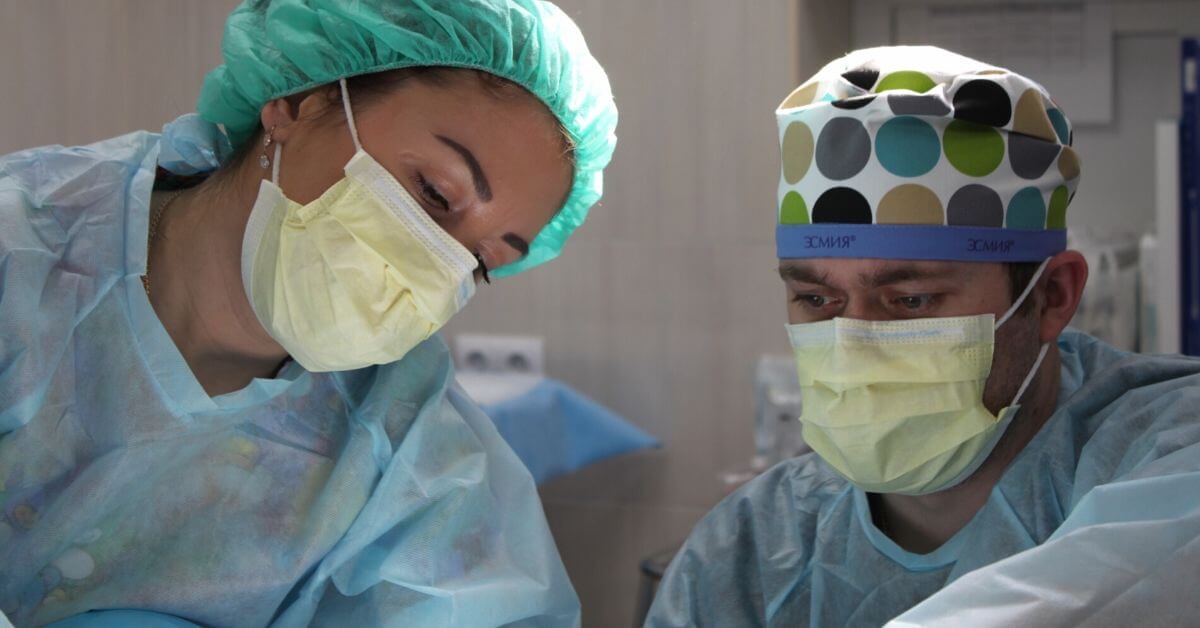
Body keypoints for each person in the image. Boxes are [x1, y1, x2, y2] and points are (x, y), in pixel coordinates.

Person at [0, 1, 617, 626]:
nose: (435, 261)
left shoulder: (404, 441)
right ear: (302, 103)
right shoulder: (20, 254)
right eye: (434, 193)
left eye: (481, 260)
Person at [646, 46, 1200, 626]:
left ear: (1051, 296)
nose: (854, 341)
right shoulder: (752, 550)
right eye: (817, 300)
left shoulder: (1170, 452)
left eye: (911, 301)